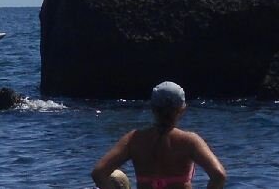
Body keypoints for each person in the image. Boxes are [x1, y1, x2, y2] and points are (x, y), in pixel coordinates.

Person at [91, 81, 226, 189]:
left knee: (116, 176)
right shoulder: (190, 141)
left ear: (153, 108)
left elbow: (99, 173)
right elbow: (219, 175)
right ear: (182, 109)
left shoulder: (134, 139)